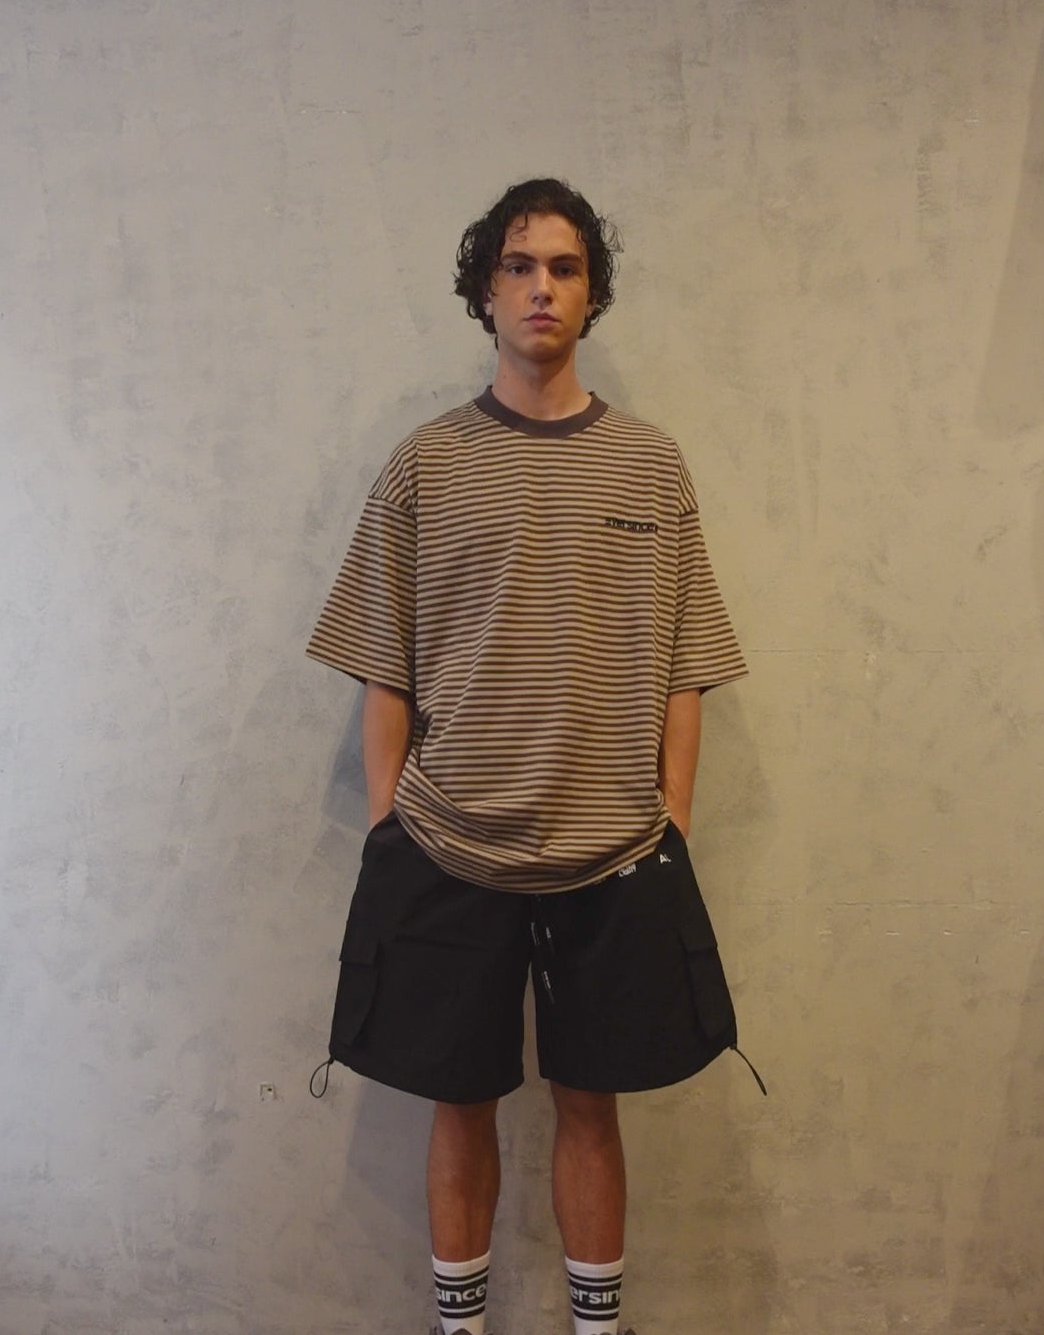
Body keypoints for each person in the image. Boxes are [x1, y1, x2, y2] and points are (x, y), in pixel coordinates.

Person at [307, 177, 759, 1335]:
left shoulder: (651, 466)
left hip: (613, 852)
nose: (541, 287)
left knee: (591, 1103)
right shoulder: (426, 463)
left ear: (591, 293)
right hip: (448, 843)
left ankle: (596, 1328)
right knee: (458, 1100)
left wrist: (672, 818)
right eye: (519, 265)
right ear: (486, 290)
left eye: (564, 267)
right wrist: (389, 824)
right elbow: (383, 663)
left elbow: (686, 665)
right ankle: (459, 1326)